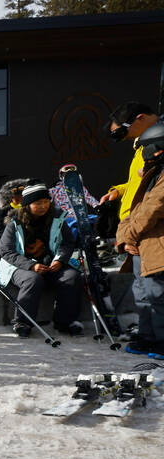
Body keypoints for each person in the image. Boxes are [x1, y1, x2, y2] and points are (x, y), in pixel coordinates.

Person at [0, 182, 83, 337]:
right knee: (33, 279)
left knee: (71, 277)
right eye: (38, 203)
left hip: (50, 264)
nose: (43, 206)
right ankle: (22, 322)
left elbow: (68, 242)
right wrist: (30, 266)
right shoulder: (14, 222)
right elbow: (6, 251)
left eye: (45, 202)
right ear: (27, 205)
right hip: (20, 267)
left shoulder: (57, 217)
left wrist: (60, 260)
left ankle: (64, 321)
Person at [116, 123, 164, 355]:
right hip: (139, 247)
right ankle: (147, 337)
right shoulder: (151, 175)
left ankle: (161, 340)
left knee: (158, 296)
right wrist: (125, 240)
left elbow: (152, 210)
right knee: (143, 295)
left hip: (157, 246)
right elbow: (134, 209)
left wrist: (130, 236)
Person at [101, 102, 160, 222]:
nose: (123, 138)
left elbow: (158, 196)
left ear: (140, 118)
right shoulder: (141, 147)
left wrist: (131, 232)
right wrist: (119, 192)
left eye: (121, 132)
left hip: (146, 229)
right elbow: (139, 183)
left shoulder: (157, 146)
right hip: (134, 228)